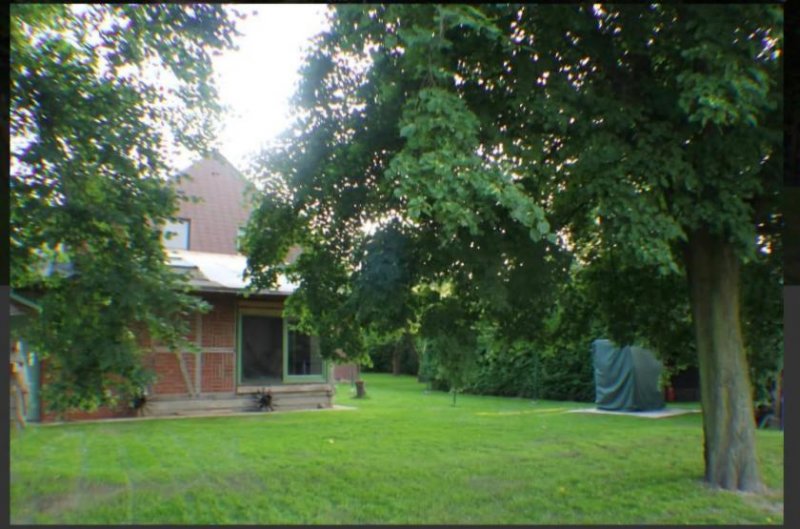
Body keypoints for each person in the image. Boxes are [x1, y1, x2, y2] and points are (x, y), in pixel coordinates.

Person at [10, 341, 30, 430]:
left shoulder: (16, 355)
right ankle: (21, 424)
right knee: (18, 412)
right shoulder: (14, 357)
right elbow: (17, 372)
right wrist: (23, 387)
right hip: (14, 387)